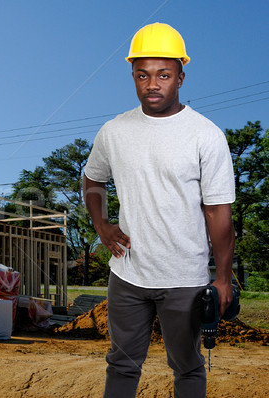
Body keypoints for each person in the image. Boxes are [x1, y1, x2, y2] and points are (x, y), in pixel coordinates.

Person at [83, 22, 235, 398]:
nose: (152, 84)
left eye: (163, 75)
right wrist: (101, 225)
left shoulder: (205, 135)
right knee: (121, 363)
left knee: (187, 367)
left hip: (184, 278)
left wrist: (223, 278)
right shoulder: (114, 132)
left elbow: (219, 214)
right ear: (132, 76)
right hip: (128, 275)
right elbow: (92, 180)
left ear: (181, 77)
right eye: (142, 74)